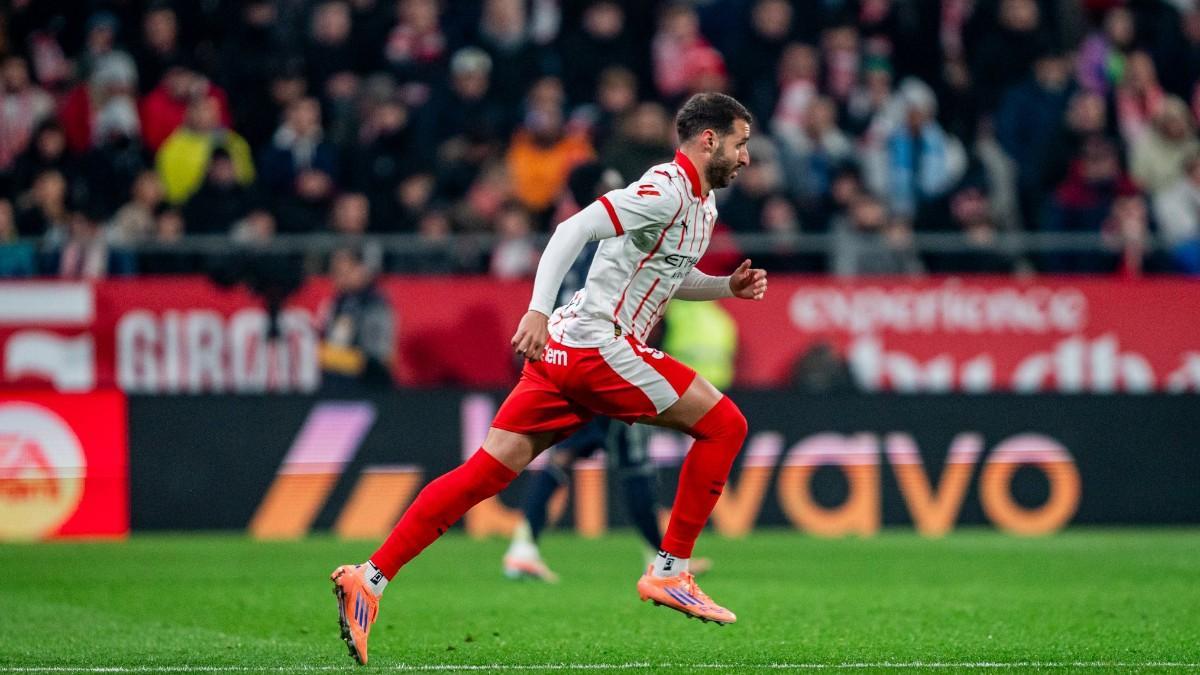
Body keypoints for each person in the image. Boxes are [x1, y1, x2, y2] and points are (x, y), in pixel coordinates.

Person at [330, 92, 767, 664]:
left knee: (483, 473)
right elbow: (569, 232)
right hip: (598, 345)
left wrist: (723, 288)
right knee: (725, 425)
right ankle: (671, 571)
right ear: (709, 139)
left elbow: (669, 276)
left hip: (566, 350)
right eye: (740, 144)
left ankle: (369, 578)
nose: (746, 158)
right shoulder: (665, 188)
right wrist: (535, 308)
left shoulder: (702, 205)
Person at [500, 162, 708, 583]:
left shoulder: (580, 236)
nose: (626, 190)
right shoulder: (609, 237)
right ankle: (659, 554)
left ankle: (524, 544)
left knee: (560, 453)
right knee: (632, 460)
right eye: (615, 186)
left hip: (564, 352)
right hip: (605, 356)